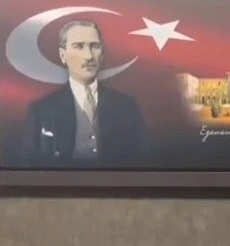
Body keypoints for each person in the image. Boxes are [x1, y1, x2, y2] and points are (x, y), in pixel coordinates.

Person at [21, 20, 146, 167]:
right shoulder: (41, 110)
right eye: (79, 46)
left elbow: (140, 161)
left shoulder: (127, 106)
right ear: (63, 55)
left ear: (102, 54)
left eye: (95, 46)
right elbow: (31, 164)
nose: (89, 56)